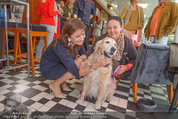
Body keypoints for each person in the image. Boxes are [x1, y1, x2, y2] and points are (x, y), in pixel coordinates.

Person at [40, 18, 108, 98]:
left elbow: (84, 54)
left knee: (80, 62)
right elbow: (76, 72)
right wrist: (95, 65)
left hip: (59, 64)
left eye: (83, 34)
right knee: (79, 66)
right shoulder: (60, 46)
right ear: (68, 36)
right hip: (49, 69)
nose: (82, 38)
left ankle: (62, 82)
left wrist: (80, 59)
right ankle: (55, 84)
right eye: (77, 36)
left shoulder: (76, 41)